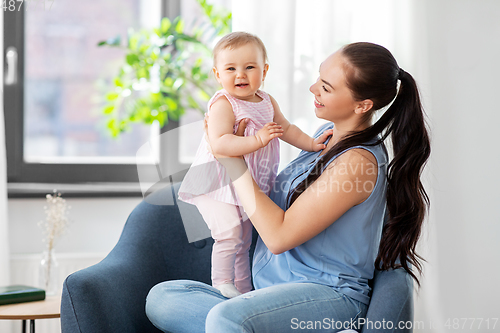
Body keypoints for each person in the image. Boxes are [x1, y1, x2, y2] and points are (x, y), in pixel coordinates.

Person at [146, 41, 431, 333]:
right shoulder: (324, 136)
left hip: (328, 296)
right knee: (163, 298)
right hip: (267, 290)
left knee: (226, 319)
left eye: (326, 87)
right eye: (319, 77)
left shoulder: (357, 163)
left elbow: (278, 237)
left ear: (362, 105)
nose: (313, 88)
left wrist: (232, 160)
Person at [177, 32, 332, 299]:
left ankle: (243, 290)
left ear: (264, 70)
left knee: (245, 239)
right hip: (216, 182)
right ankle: (222, 282)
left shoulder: (267, 101)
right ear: (217, 74)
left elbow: (286, 128)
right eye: (231, 69)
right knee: (230, 233)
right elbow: (221, 144)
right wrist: (259, 139)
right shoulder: (224, 104)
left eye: (250, 67)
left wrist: (311, 143)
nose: (241, 75)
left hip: (245, 185)